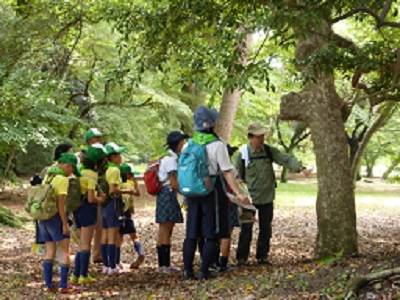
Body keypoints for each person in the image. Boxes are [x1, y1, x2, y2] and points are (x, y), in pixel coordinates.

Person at [182, 106, 249, 280]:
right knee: (212, 231)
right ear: (211, 124)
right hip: (210, 190)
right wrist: (239, 193)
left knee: (191, 233)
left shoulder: (189, 144)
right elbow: (227, 171)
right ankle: (204, 270)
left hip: (191, 192)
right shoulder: (217, 145)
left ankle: (187, 271)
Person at [235, 122, 305, 266]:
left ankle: (262, 256)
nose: (261, 139)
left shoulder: (268, 151)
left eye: (263, 136)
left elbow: (284, 158)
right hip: (249, 199)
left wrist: (299, 167)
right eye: (258, 136)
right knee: (246, 228)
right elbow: (236, 176)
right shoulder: (242, 153)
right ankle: (242, 258)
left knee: (266, 227)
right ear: (250, 137)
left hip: (267, 196)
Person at [38, 153, 81, 294]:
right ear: (68, 166)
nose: (72, 174)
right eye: (73, 170)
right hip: (56, 218)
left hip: (43, 218)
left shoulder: (48, 176)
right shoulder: (62, 179)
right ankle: (63, 285)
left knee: (50, 252)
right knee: (65, 251)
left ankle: (48, 285)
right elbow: (60, 203)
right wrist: (64, 223)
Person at [70, 144, 108, 284]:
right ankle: (83, 275)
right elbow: (92, 198)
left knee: (81, 242)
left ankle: (76, 274)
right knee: (86, 244)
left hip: (77, 208)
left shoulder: (80, 171)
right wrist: (101, 199)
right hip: (88, 208)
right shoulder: (92, 175)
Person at [101, 142, 135, 275]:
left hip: (104, 205)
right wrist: (128, 191)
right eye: (119, 155)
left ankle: (105, 265)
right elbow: (113, 190)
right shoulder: (114, 170)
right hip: (113, 204)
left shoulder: (103, 169)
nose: (121, 157)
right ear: (113, 157)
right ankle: (112, 266)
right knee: (112, 236)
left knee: (104, 236)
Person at [156, 131, 188, 273]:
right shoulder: (171, 160)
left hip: (164, 194)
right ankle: (165, 264)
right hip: (168, 194)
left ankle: (162, 264)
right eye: (182, 142)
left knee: (163, 229)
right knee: (166, 229)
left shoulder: (168, 157)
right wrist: (187, 194)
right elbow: (174, 183)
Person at [79, 128, 104, 264]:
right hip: (85, 197)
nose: (100, 140)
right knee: (84, 229)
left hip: (99, 193)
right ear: (89, 141)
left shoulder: (104, 154)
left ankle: (98, 254)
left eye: (101, 138)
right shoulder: (81, 156)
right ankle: (83, 258)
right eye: (96, 138)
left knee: (100, 225)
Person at [117, 163, 144, 270]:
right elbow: (137, 194)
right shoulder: (129, 186)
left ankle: (117, 261)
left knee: (119, 238)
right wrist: (135, 183)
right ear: (128, 175)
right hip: (127, 214)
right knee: (134, 237)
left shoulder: (119, 186)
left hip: (119, 214)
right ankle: (140, 252)